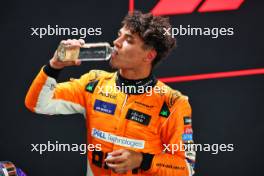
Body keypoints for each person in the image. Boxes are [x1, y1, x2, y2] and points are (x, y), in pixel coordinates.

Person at [25, 11, 195, 176]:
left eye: (128, 40)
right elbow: (37, 104)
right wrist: (54, 66)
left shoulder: (173, 103)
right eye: (119, 35)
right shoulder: (93, 84)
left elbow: (186, 169)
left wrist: (143, 160)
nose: (116, 42)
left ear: (149, 55)